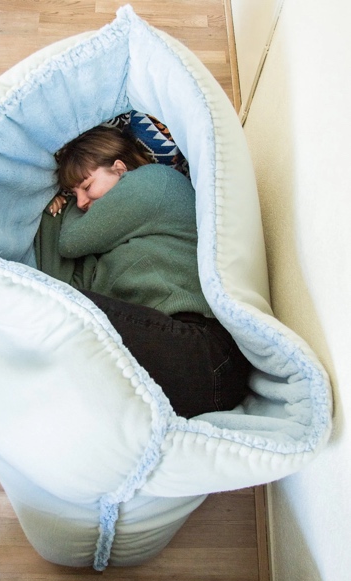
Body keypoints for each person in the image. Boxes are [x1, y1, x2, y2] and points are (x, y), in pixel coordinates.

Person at [38, 125, 250, 418]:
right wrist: (53, 213)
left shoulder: (156, 181)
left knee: (63, 311)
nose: (82, 202)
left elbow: (71, 242)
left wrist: (69, 210)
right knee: (53, 310)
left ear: (120, 169)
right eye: (73, 195)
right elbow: (54, 284)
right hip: (164, 385)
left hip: (203, 353)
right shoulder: (103, 251)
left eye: (86, 187)